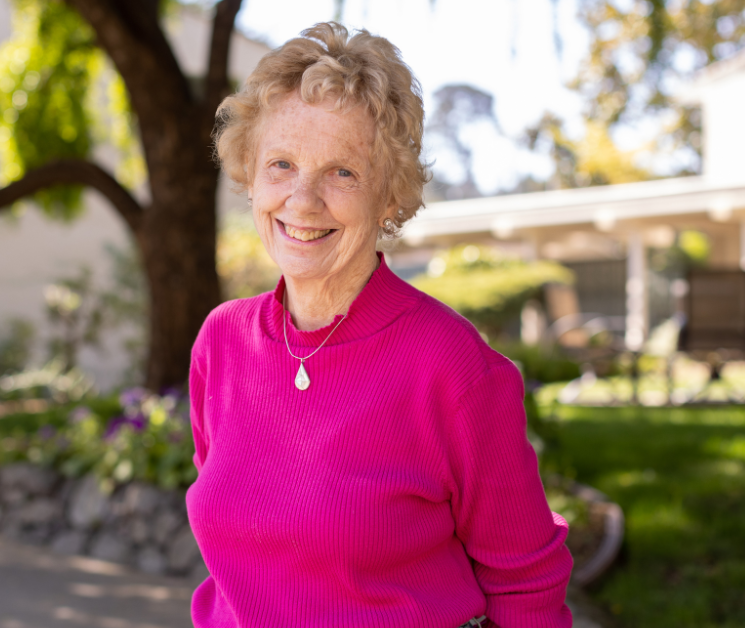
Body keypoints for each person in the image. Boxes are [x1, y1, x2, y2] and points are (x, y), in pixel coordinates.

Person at [185, 22, 573, 628]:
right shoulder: (221, 341)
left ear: (389, 196)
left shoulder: (452, 366)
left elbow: (528, 583)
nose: (303, 200)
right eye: (281, 164)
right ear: (250, 175)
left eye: (343, 172)